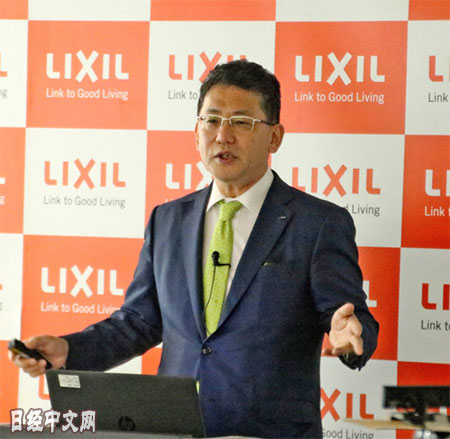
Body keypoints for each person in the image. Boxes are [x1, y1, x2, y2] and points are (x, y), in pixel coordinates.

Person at [11, 60, 378, 439]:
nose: (223, 135)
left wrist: (350, 337)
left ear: (274, 137)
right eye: (212, 120)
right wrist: (69, 350)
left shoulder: (317, 223)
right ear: (196, 131)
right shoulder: (168, 220)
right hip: (173, 427)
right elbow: (139, 322)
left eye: (241, 122)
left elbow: (351, 320)